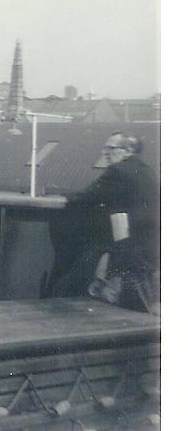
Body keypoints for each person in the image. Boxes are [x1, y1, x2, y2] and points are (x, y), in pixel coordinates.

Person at [48, 132, 159, 310]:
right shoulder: (148, 171)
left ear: (128, 150)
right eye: (105, 148)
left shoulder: (119, 170)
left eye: (111, 148)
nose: (105, 153)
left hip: (127, 252)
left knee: (69, 279)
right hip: (147, 250)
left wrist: (64, 199)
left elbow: (88, 195)